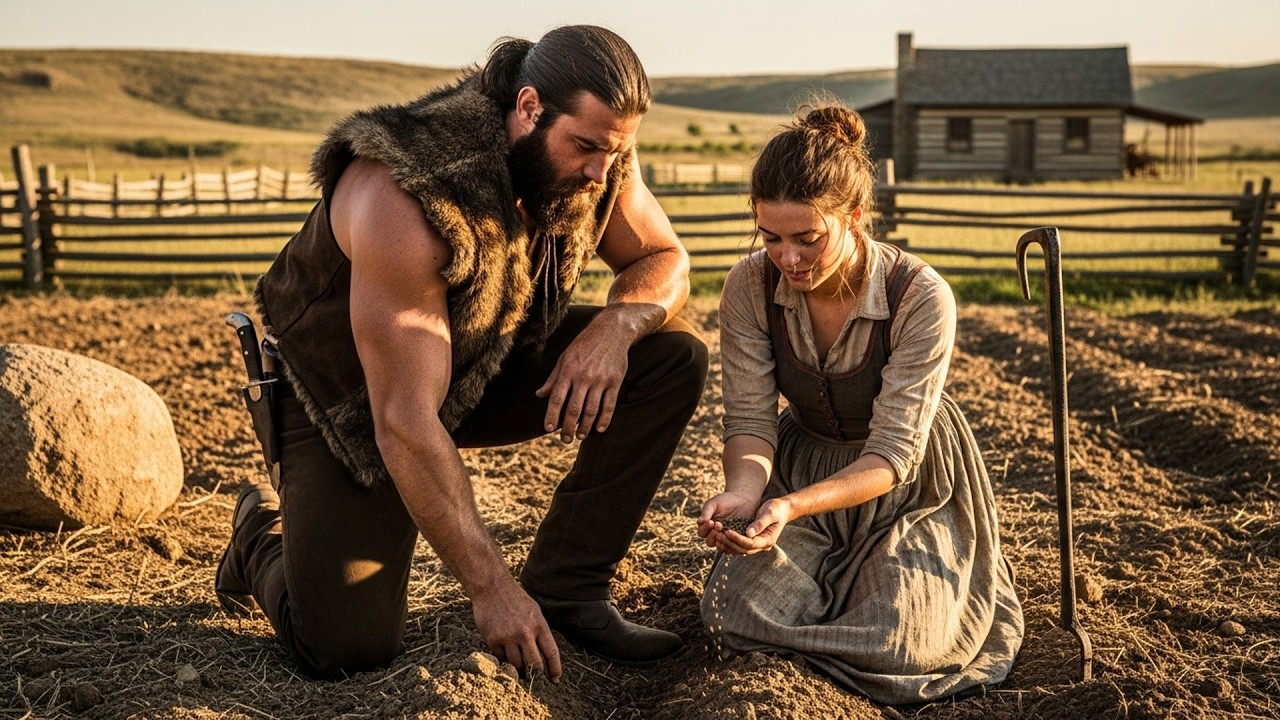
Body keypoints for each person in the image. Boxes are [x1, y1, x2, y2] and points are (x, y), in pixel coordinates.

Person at [215, 25, 709, 681]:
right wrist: (490, 585)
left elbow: (663, 257)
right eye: (585, 147)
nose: (600, 171)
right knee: (345, 648)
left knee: (672, 354)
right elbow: (402, 418)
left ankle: (568, 590)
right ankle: (260, 539)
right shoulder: (406, 194)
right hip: (350, 401)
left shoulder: (601, 160)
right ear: (529, 109)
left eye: (613, 152)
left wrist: (617, 326)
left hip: (481, 362)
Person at [696, 103, 1023, 704]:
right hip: (801, 469)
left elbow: (893, 455)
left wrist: (790, 507)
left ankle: (850, 611)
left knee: (905, 640)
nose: (788, 258)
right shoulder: (749, 285)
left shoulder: (919, 297)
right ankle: (822, 606)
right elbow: (749, 422)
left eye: (808, 238)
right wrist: (747, 495)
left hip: (906, 488)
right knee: (729, 613)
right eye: (771, 238)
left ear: (855, 216)